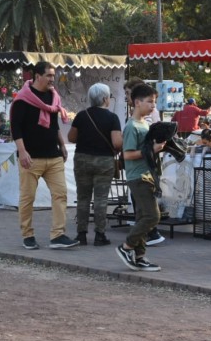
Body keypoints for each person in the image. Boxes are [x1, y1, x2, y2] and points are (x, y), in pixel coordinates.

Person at [10, 61, 77, 250]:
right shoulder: (22, 100)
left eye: (53, 75)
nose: (52, 79)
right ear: (37, 76)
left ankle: (58, 235)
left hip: (53, 155)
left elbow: (54, 124)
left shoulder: (53, 97)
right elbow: (16, 128)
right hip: (31, 158)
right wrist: (22, 152)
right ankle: (27, 235)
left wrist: (62, 145)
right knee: (27, 198)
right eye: (48, 75)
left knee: (60, 194)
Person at [115, 83, 165, 271]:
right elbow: (127, 155)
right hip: (138, 177)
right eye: (150, 102)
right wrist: (152, 149)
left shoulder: (145, 124)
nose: (153, 106)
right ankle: (126, 246)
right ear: (137, 102)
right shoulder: (132, 126)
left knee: (143, 216)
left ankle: (140, 256)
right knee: (152, 216)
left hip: (148, 175)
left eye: (154, 102)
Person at [68, 82, 121, 247]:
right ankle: (100, 235)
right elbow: (117, 143)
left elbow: (71, 138)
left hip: (82, 159)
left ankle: (81, 235)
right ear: (105, 98)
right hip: (104, 162)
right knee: (101, 198)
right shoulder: (112, 118)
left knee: (82, 197)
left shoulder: (82, 116)